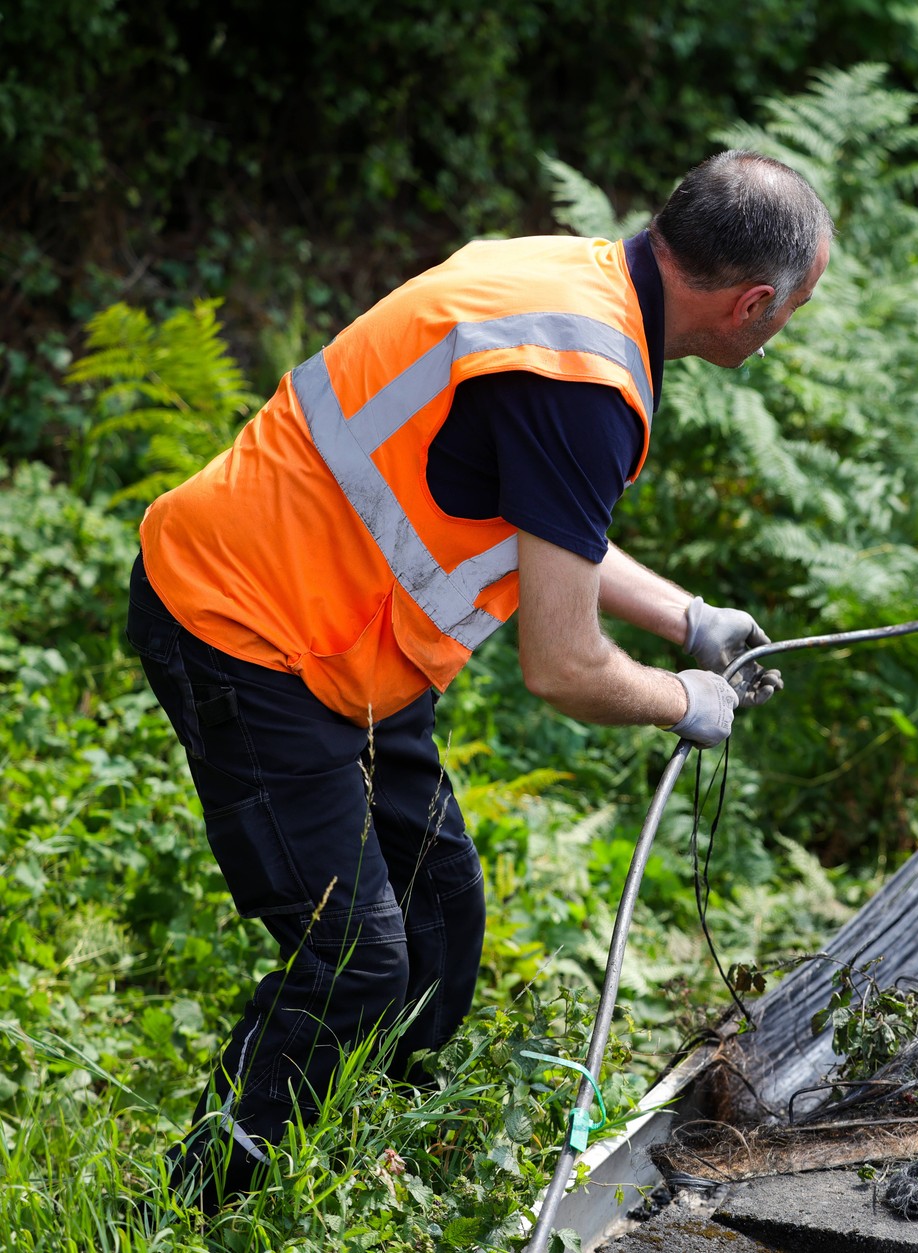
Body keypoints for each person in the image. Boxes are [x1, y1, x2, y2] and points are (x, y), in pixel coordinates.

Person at [125, 150, 830, 1206]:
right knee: (356, 962)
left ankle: (361, 1148)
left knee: (440, 921)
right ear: (753, 303)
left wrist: (687, 618)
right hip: (246, 627)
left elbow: (544, 516)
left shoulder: (575, 282)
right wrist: (684, 699)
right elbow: (564, 666)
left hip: (346, 638)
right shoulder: (583, 383)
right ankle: (195, 1207)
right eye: (791, 311)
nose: (782, 329)